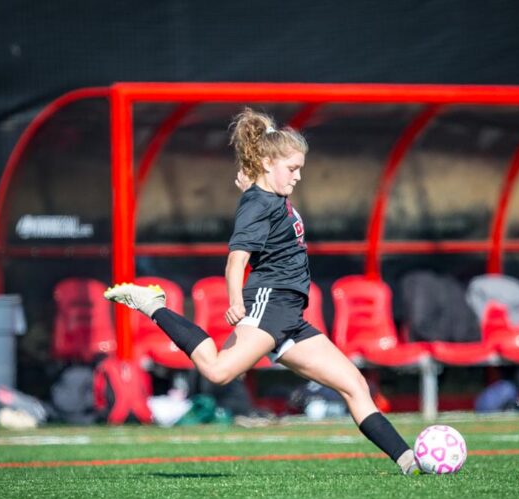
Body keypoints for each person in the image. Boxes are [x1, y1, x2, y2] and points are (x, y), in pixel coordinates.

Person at [105, 107, 421, 475]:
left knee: (354, 385)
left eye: (300, 168)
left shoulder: (268, 196)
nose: (299, 176)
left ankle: (409, 461)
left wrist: (255, 185)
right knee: (219, 371)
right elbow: (235, 260)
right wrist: (237, 300)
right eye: (293, 168)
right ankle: (153, 305)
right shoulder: (258, 203)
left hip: (290, 315)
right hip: (269, 303)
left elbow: (268, 207)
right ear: (269, 163)